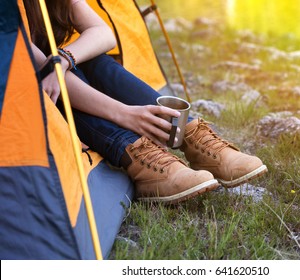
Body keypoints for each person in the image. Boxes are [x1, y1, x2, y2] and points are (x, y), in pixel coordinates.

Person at [23, 0, 268, 203]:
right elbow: (43, 77)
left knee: (85, 58)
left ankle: (190, 135)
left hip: (53, 79)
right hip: (23, 101)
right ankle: (135, 154)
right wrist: (125, 114)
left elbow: (104, 35)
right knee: (53, 73)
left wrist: (64, 58)